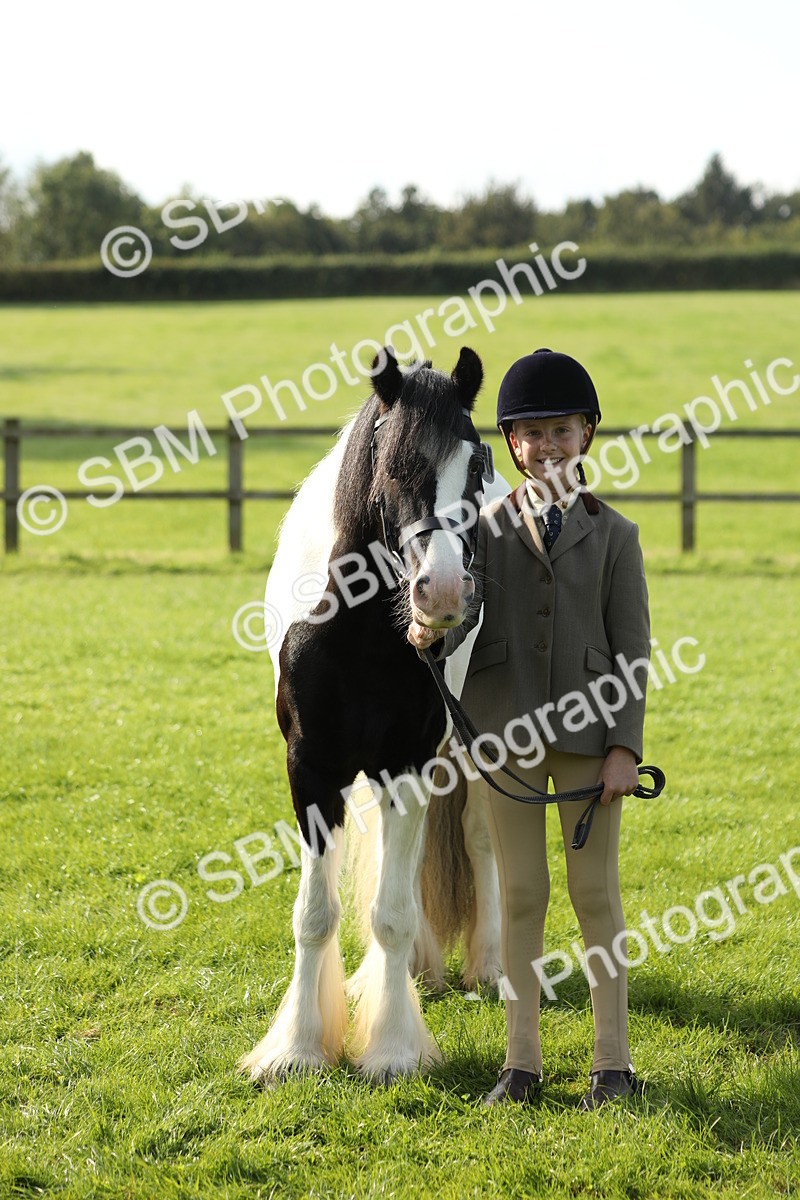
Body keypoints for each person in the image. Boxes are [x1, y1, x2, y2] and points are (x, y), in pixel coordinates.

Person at [408, 348, 651, 1111]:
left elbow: (633, 652)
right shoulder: (480, 528)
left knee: (595, 896)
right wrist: (431, 631)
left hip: (589, 741)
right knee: (519, 895)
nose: (546, 446)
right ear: (511, 444)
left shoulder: (616, 535)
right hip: (505, 737)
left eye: (561, 430)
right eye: (531, 434)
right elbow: (460, 614)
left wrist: (624, 747)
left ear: (586, 434)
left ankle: (611, 1064)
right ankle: (521, 1065)